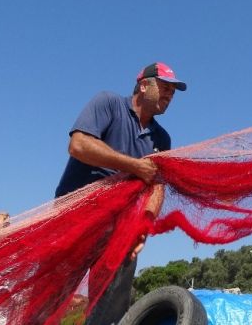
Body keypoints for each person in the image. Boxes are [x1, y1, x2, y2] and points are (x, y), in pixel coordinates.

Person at [55, 61, 186, 325]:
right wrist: (134, 165)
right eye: (164, 87)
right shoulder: (109, 103)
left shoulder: (162, 139)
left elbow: (157, 185)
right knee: (52, 295)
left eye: (173, 91)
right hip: (74, 216)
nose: (169, 95)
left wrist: (143, 226)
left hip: (119, 225)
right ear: (143, 84)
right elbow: (79, 145)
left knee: (111, 304)